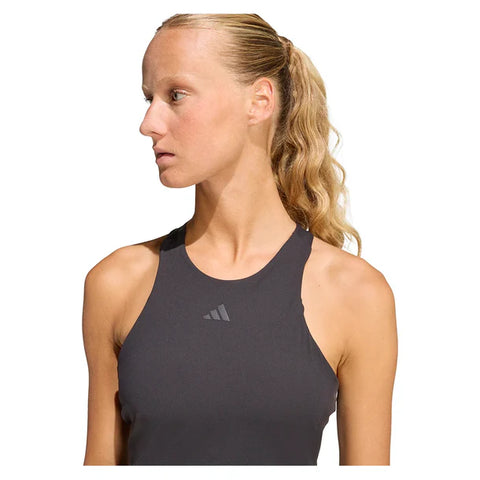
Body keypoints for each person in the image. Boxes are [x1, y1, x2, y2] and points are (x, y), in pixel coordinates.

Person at [82, 13, 398, 466]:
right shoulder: (116, 284)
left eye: (176, 95)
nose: (148, 123)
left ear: (259, 101)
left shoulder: (357, 294)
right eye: (150, 98)